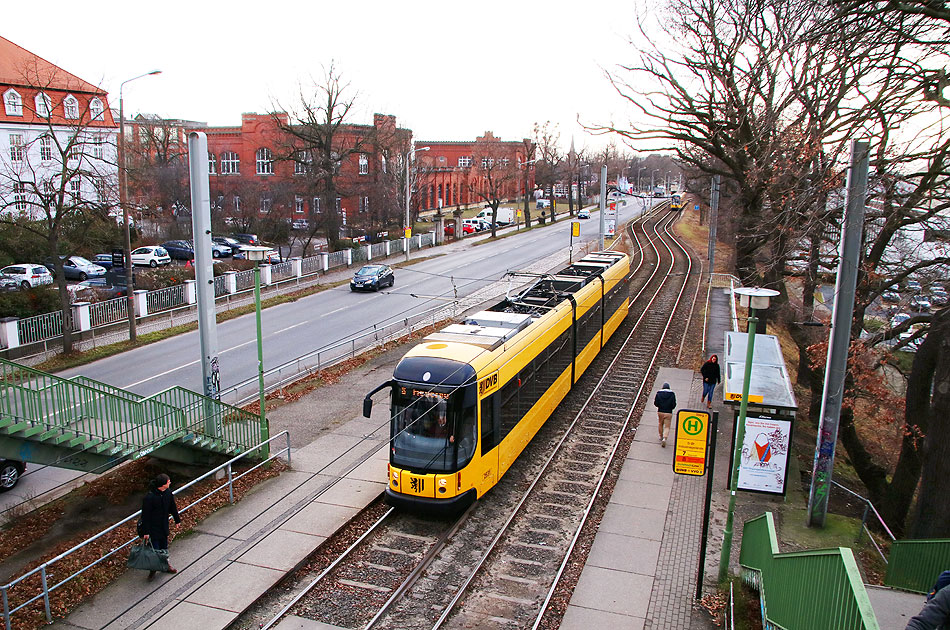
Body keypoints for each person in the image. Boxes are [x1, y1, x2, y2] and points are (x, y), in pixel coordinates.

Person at [140, 473, 182, 579]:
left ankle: (165, 564)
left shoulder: (168, 493)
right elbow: (145, 516)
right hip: (153, 528)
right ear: (163, 484)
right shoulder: (150, 498)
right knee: (155, 549)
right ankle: (154, 568)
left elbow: (173, 507)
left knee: (164, 546)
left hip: (163, 525)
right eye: (168, 482)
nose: (170, 483)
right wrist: (146, 532)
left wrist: (177, 520)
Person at [653, 382, 677, 448]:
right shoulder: (672, 394)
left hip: (660, 411)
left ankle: (661, 436)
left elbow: (656, 403)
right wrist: (670, 408)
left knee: (660, 423)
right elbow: (674, 404)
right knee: (667, 426)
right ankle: (664, 438)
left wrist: (659, 406)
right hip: (668, 412)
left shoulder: (658, 393)